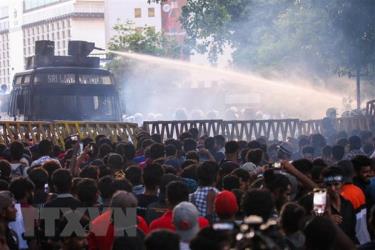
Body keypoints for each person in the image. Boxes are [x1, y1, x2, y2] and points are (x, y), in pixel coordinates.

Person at [322, 166, 356, 241]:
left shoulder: (348, 204)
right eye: (329, 185)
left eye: (336, 184)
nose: (332, 189)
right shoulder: (319, 205)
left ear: (342, 184)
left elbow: (352, 232)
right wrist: (326, 221)